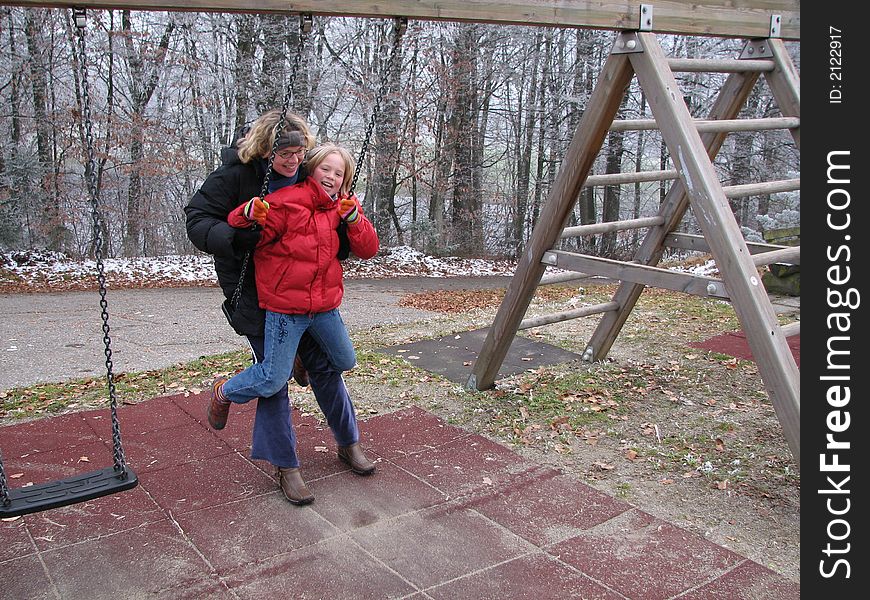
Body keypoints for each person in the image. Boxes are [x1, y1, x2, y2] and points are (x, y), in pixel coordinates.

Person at [185, 112, 376, 507]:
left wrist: (345, 232)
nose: (291, 160)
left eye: (298, 153)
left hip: (310, 295)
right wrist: (238, 238)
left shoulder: (312, 175)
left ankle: (348, 441)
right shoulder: (235, 177)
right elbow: (199, 219)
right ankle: (286, 465)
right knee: (273, 381)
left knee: (328, 366)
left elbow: (334, 228)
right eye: (282, 153)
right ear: (265, 149)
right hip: (255, 292)